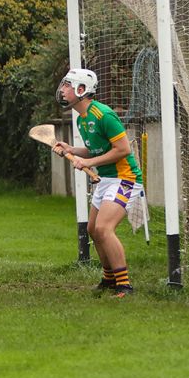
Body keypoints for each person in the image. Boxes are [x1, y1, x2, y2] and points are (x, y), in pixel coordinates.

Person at [51, 68, 143, 297]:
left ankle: (125, 285)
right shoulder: (82, 118)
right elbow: (95, 149)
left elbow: (123, 149)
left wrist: (88, 162)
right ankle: (109, 279)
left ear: (81, 90)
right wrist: (72, 150)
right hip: (105, 180)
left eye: (67, 85)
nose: (62, 90)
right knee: (93, 229)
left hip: (125, 179)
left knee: (104, 228)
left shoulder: (103, 115)